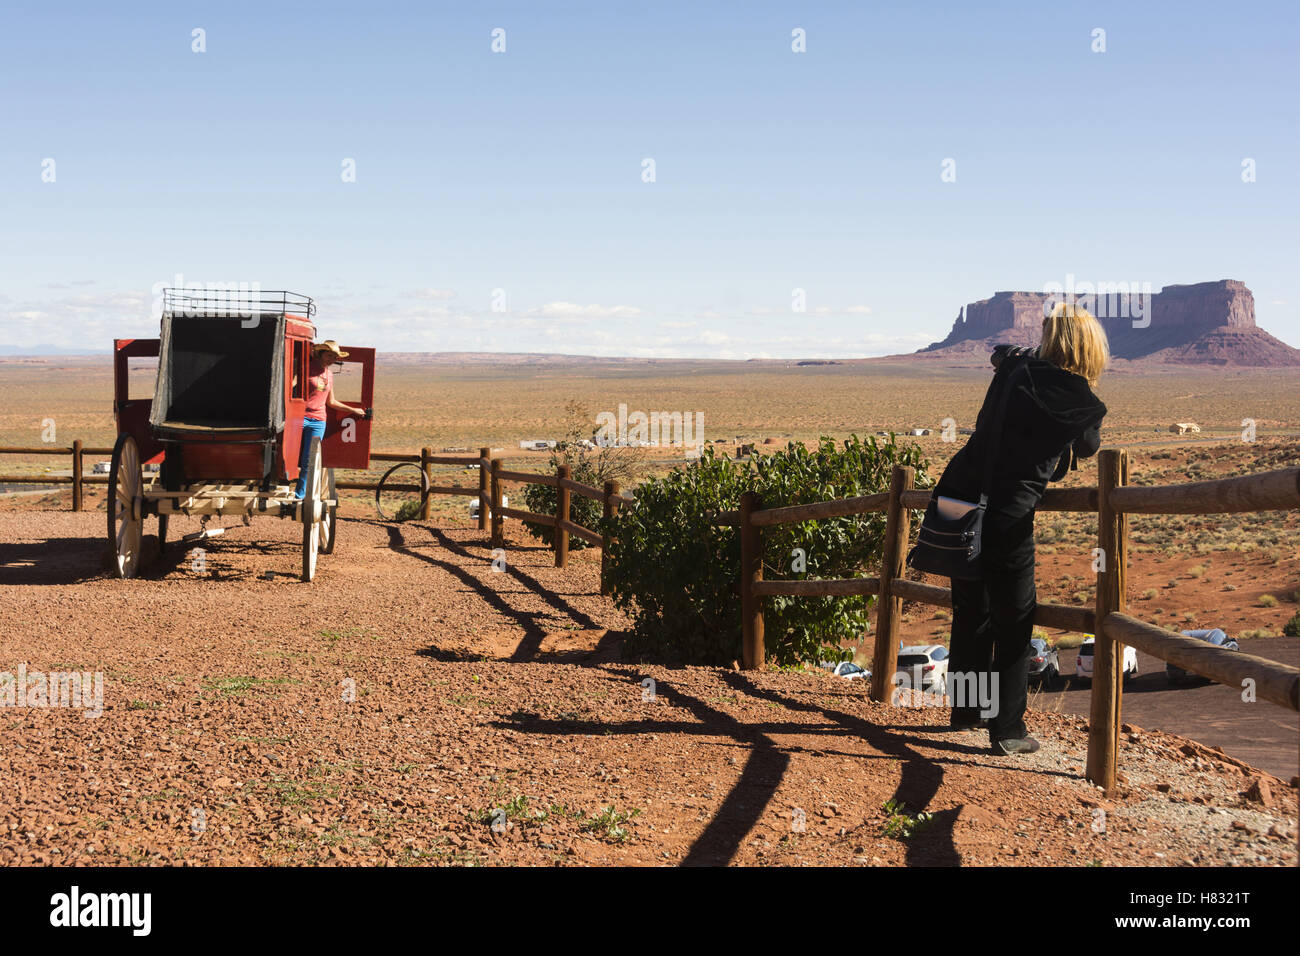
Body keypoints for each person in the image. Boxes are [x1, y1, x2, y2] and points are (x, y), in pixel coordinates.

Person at [935, 302, 1109, 755]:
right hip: (1008, 516)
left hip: (963, 497)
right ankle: (1008, 728)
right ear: (1089, 348)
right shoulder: (1079, 396)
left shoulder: (1013, 369)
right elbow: (1088, 447)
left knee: (971, 609)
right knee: (1015, 619)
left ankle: (967, 711)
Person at [295, 340, 367, 499]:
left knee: (309, 459)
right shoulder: (305, 368)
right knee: (289, 453)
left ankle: (299, 495)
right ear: (320, 354)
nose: (331, 360)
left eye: (334, 357)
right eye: (329, 355)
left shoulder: (329, 375)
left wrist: (353, 410)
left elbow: (331, 402)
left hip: (318, 420)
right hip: (299, 417)